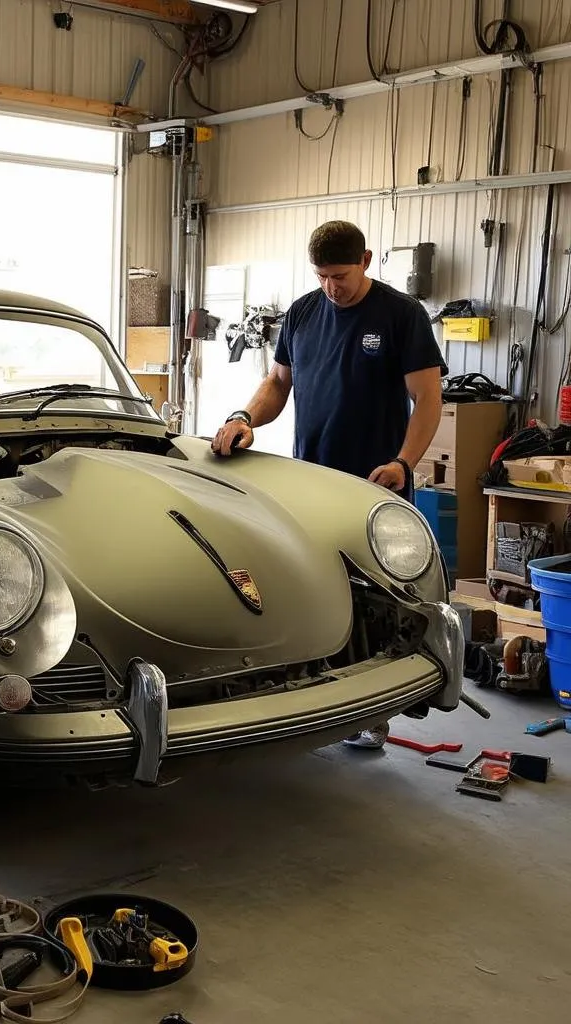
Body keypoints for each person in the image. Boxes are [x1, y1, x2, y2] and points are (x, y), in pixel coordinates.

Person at [210, 220, 447, 750]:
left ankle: (371, 711)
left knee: (374, 600)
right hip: (309, 478)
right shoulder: (303, 312)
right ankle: (309, 694)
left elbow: (428, 399)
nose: (330, 287)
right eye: (321, 276)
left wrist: (405, 463)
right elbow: (277, 383)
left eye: (339, 275)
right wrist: (245, 417)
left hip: (373, 483)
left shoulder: (401, 315)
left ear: (365, 260)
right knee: (311, 585)